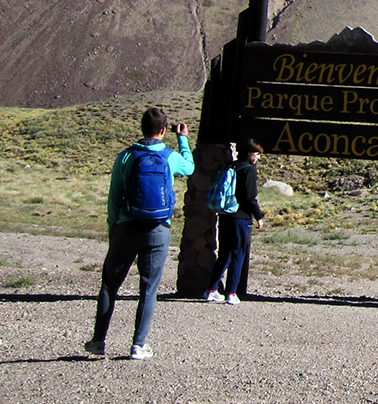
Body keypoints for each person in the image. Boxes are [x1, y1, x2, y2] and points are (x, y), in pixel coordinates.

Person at [86, 107, 196, 360]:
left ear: (141, 127)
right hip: (158, 230)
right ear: (163, 130)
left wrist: (113, 226)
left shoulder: (125, 157)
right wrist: (183, 139)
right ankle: (138, 344)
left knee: (109, 287)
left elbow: (115, 196)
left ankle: (99, 341)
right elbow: (189, 167)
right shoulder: (170, 157)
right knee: (148, 288)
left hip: (126, 226)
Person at [207, 140, 265, 304]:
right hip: (241, 217)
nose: (258, 158)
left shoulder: (230, 166)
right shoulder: (249, 171)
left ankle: (211, 290)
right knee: (238, 253)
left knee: (224, 253)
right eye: (257, 154)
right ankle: (231, 292)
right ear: (250, 154)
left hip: (225, 215)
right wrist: (258, 216)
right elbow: (249, 197)